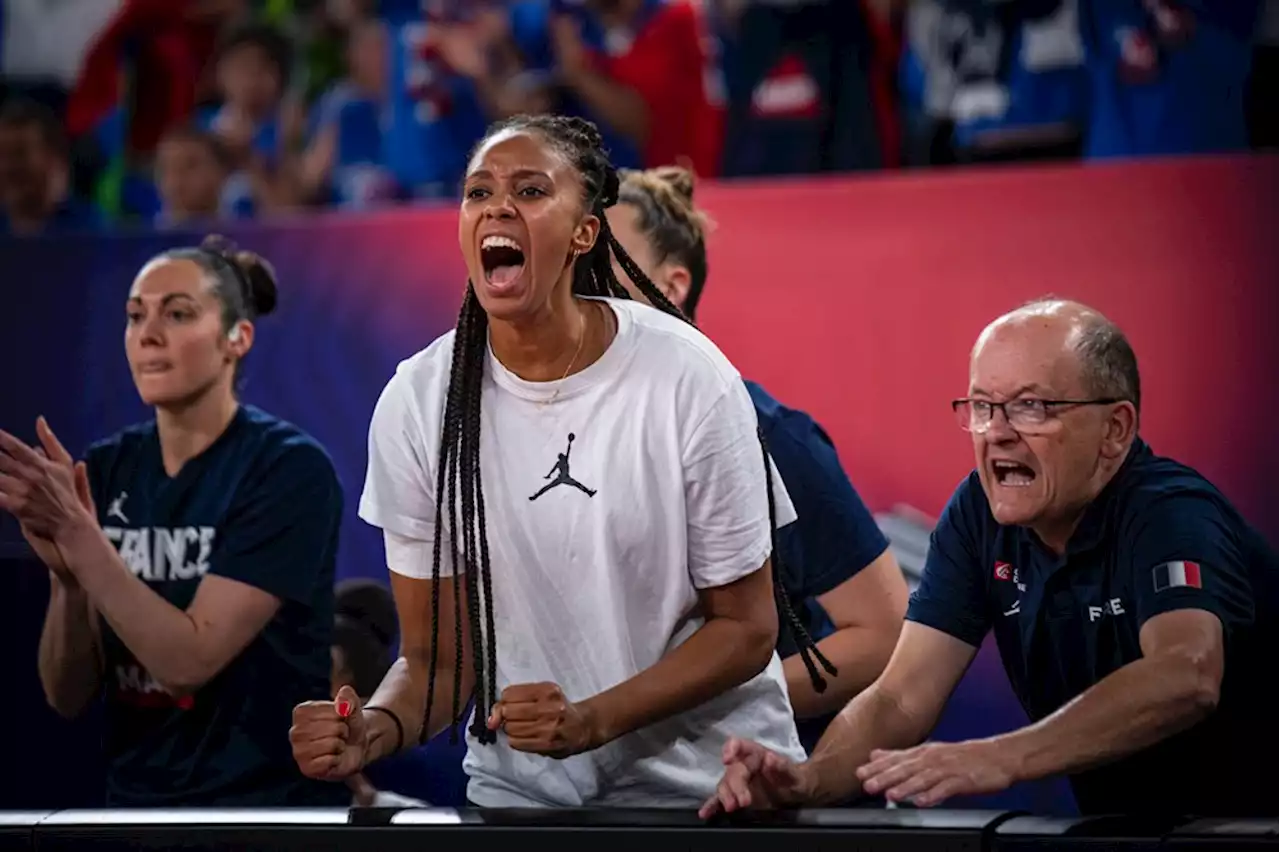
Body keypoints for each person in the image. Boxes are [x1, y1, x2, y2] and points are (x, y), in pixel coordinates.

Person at [289, 113, 823, 808]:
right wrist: (375, 730)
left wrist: (590, 720)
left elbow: (747, 629)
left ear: (584, 233)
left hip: (708, 793)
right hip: (524, 800)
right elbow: (439, 662)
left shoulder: (687, 376)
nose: (498, 206)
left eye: (531, 190)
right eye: (479, 192)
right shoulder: (419, 403)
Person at [701, 299, 1280, 818]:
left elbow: (1187, 674)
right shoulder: (979, 514)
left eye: (1031, 406)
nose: (996, 433)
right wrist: (808, 779)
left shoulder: (1171, 512)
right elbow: (902, 696)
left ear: (1116, 429)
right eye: (982, 406)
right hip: (1124, 828)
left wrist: (999, 757)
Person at [0, 236, 347, 807]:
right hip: (132, 808)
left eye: (178, 314)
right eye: (135, 316)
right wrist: (67, 581)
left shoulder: (288, 469)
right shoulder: (109, 467)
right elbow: (67, 696)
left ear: (238, 338)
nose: (148, 334)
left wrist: (82, 541)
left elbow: (189, 662)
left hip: (263, 813)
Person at [605, 165, 909, 756]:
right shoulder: (547, 441)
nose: (580, 280)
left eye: (607, 260)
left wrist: (683, 706)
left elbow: (883, 634)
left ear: (672, 286)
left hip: (772, 804)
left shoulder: (771, 437)